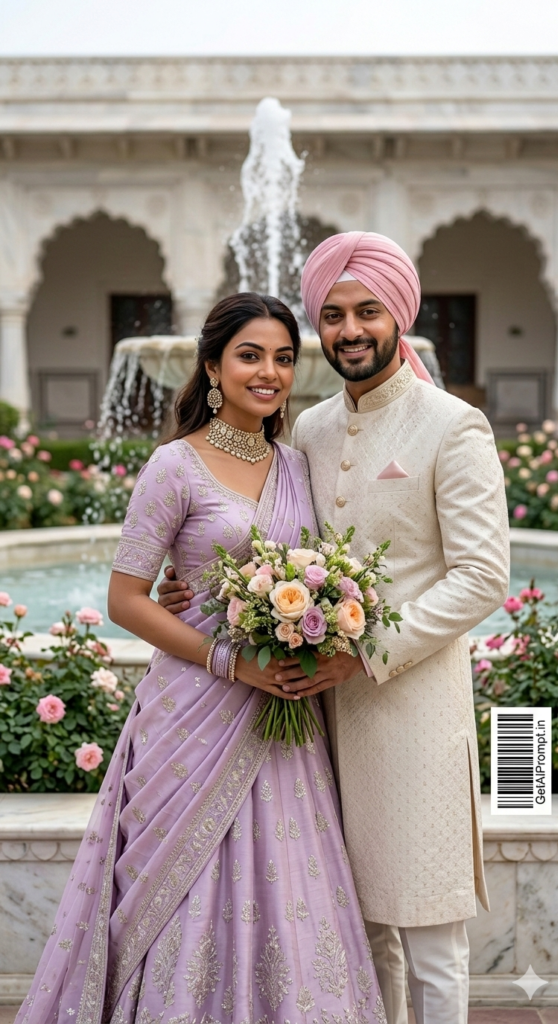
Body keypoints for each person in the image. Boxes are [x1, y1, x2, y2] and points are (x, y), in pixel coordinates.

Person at [158, 233, 510, 1024]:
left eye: (367, 312)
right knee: (354, 935)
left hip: (413, 718)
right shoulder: (308, 429)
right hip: (312, 726)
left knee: (430, 933)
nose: (350, 330)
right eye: (334, 314)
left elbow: (483, 576)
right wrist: (190, 584)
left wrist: (365, 654)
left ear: (399, 315)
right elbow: (260, 531)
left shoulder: (452, 425)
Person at [15, 292, 387, 1024]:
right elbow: (126, 599)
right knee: (180, 886)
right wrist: (232, 661)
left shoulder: (298, 464)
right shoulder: (174, 465)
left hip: (284, 712)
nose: (269, 372)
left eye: (284, 358)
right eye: (250, 356)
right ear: (213, 366)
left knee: (289, 883)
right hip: (195, 708)